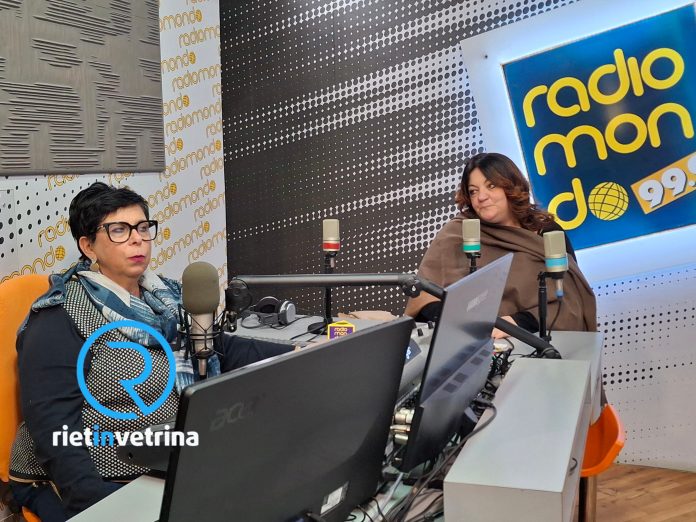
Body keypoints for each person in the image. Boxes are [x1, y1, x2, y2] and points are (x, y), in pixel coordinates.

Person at [8, 183, 294, 521]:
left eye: (143, 227)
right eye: (119, 230)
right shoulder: (59, 316)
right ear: (88, 246)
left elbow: (216, 346)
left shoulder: (168, 297)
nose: (138, 239)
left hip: (172, 459)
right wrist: (102, 507)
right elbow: (53, 428)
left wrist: (296, 354)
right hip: (91, 479)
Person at [405, 152, 597, 337]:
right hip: (481, 345)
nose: (481, 197)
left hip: (541, 342)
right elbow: (425, 298)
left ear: (511, 186)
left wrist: (516, 323)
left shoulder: (547, 232)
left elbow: (570, 298)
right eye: (473, 191)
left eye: (491, 186)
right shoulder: (457, 233)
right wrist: (469, 325)